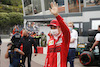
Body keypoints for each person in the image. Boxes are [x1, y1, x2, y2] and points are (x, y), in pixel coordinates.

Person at [44, 2, 70, 67]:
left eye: (54, 27)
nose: (53, 29)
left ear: (60, 27)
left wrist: (57, 16)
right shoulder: (50, 41)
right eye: (51, 27)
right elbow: (48, 56)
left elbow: (66, 31)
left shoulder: (64, 39)